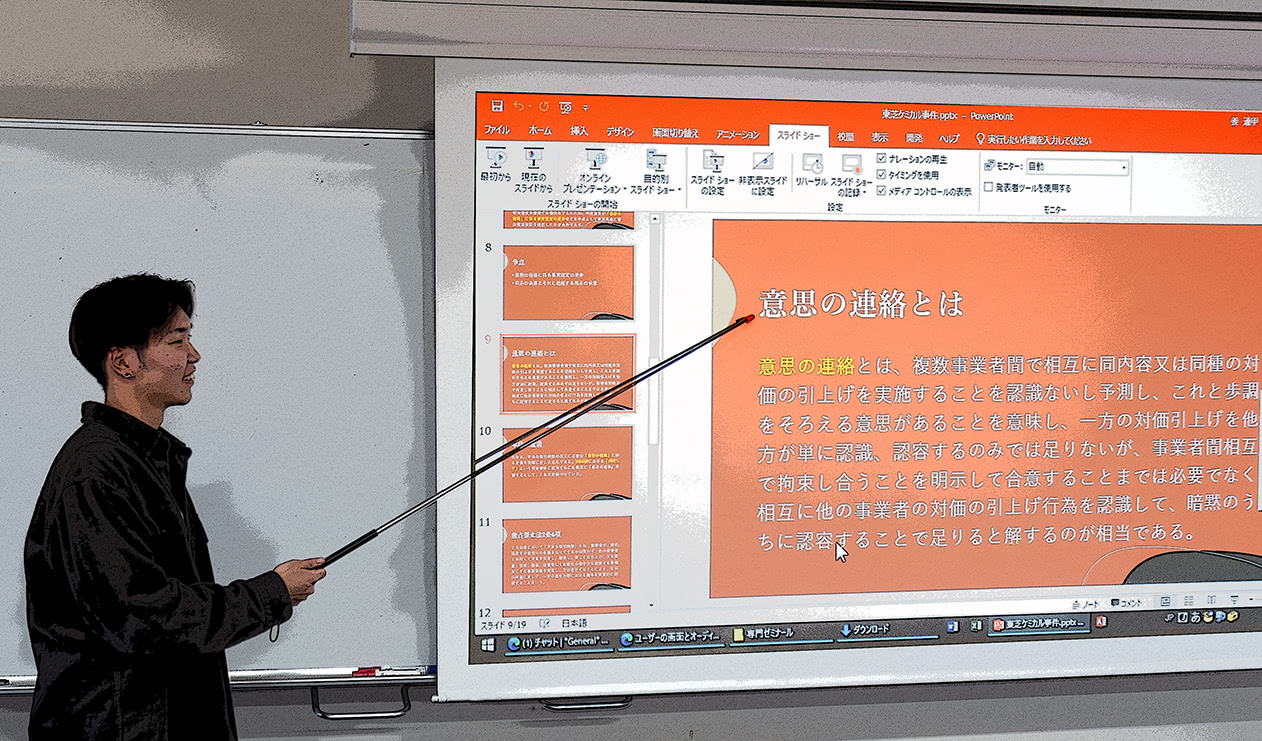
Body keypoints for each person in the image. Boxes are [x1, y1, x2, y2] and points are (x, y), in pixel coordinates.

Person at [24, 274, 327, 739]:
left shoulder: (144, 460)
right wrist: (271, 593)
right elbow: (145, 618)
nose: (194, 355)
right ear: (123, 361)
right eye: (176, 340)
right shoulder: (96, 471)